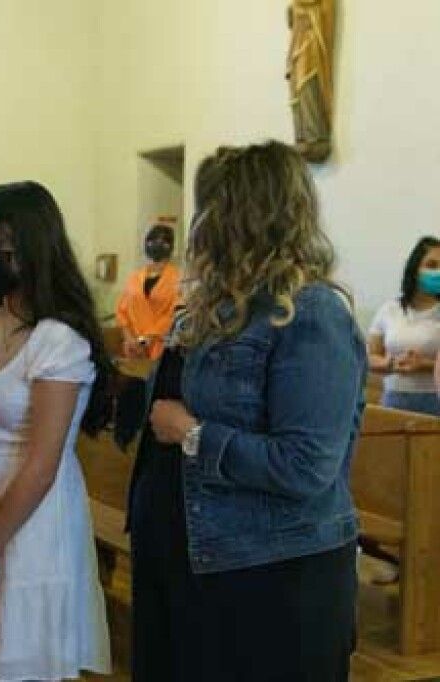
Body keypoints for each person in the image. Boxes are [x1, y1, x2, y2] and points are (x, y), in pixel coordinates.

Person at [135, 141, 366, 681]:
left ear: (248, 214)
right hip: (189, 560)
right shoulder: (211, 309)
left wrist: (193, 434)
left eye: (211, 207)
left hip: (268, 575)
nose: (198, 225)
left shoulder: (310, 316)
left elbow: (306, 465)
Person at [0, 181, 115, 681]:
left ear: (27, 248)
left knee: (20, 663)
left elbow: (43, 463)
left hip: (29, 520)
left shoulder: (58, 339)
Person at [367, 236, 440, 416]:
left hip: (434, 400)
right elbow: (370, 357)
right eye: (431, 265)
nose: (438, 272)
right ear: (415, 269)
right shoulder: (389, 310)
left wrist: (425, 365)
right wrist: (390, 363)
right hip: (393, 399)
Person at [115, 223, 181, 359]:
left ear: (170, 246)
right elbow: (122, 311)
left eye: (160, 241)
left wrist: (147, 338)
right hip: (133, 347)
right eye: (151, 241)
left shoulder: (178, 278)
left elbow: (173, 313)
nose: (154, 245)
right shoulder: (135, 277)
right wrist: (129, 338)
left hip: (162, 346)